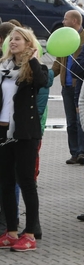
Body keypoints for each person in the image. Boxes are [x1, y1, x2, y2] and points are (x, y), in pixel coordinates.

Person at [0, 27, 48, 252]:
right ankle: (11, 231)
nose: (12, 42)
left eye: (17, 39)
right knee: (6, 182)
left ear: (28, 43)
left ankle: (29, 234)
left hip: (25, 133)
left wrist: (35, 58)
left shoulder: (34, 68)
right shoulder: (3, 67)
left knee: (26, 182)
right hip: (3, 132)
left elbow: (42, 82)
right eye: (11, 39)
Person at [52, 10, 84, 166]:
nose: (63, 22)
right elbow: (58, 61)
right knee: (70, 122)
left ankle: (83, 152)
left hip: (81, 86)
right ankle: (74, 152)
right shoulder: (63, 36)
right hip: (66, 86)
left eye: (65, 19)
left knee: (80, 120)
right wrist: (49, 75)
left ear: (75, 21)